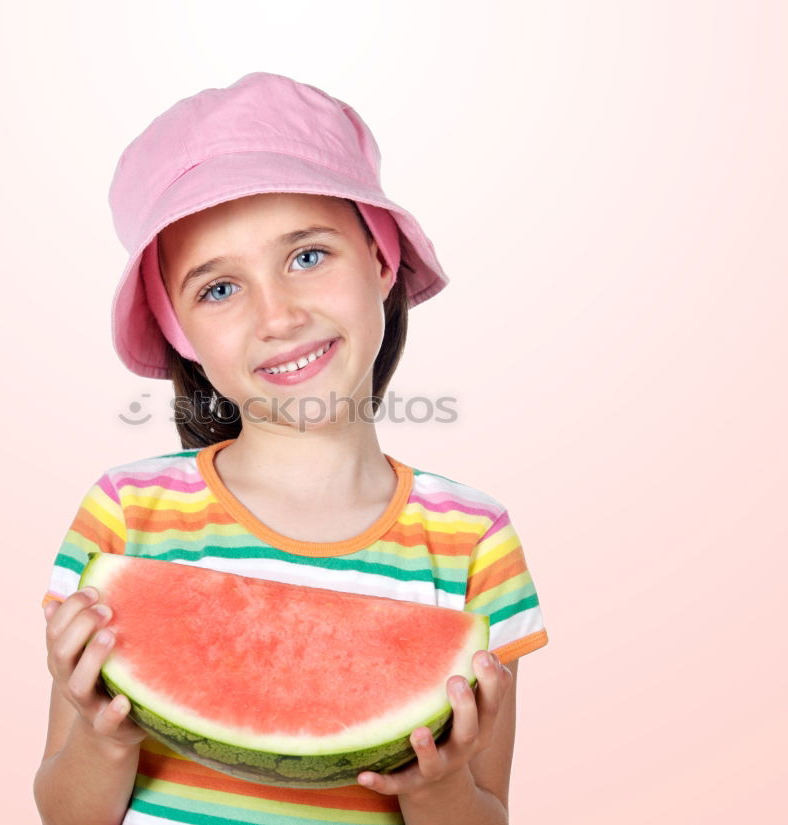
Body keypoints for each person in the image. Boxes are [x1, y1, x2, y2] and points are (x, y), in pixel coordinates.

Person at [34, 72, 549, 825]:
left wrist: (440, 783)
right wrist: (100, 736)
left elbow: (485, 814)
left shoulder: (473, 539)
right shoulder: (127, 514)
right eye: (218, 289)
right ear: (179, 332)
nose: (277, 315)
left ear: (380, 260)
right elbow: (63, 812)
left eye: (308, 256)